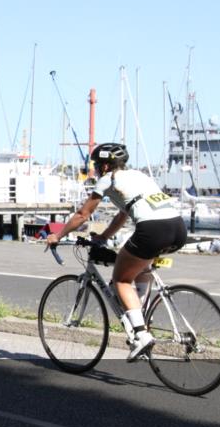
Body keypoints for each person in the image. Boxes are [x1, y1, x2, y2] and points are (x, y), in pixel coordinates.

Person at [46, 143, 186, 361]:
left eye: (96, 164)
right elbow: (123, 215)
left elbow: (83, 214)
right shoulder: (138, 176)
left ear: (104, 165)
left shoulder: (107, 179)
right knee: (138, 268)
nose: (95, 169)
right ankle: (140, 316)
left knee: (120, 280)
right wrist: (104, 236)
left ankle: (141, 335)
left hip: (152, 229)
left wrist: (58, 235)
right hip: (177, 228)